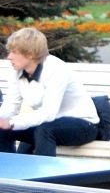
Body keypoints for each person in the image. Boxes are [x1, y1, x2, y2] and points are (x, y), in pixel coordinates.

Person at [0, 28, 100, 156]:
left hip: (83, 125)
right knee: (2, 129)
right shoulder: (16, 70)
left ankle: (45, 170)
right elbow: (10, 106)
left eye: (14, 52)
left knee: (45, 130)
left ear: (30, 54)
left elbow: (48, 113)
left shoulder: (56, 69)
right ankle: (7, 168)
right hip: (47, 124)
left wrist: (12, 122)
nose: (9, 57)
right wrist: (2, 120)